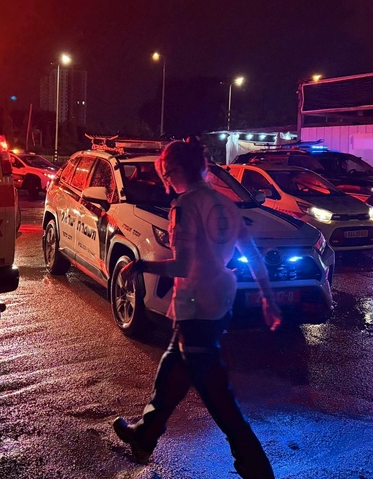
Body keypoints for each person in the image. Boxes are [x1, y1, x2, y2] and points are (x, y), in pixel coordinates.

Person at [112, 137, 282, 479]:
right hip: (218, 303)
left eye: (165, 173)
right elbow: (252, 255)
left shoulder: (185, 206)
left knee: (217, 394)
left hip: (195, 305)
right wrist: (268, 298)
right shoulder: (225, 204)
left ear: (178, 170)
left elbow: (182, 266)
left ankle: (256, 466)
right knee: (172, 365)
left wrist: (141, 265)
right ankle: (145, 433)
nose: (164, 180)